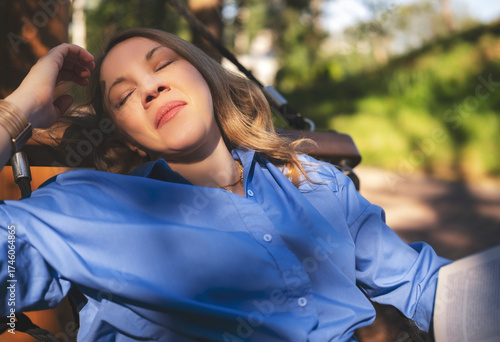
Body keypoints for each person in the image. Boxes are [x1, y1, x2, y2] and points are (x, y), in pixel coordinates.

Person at [0, 28, 450, 341]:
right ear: (126, 138)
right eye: (124, 95)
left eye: (163, 66)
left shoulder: (313, 182)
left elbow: (423, 286)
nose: (151, 89)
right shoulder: (84, 207)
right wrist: (15, 113)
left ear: (205, 77)